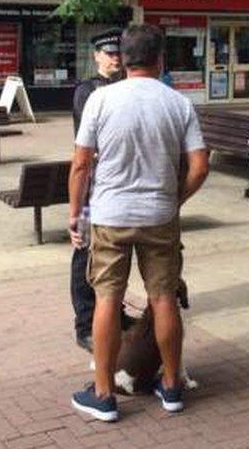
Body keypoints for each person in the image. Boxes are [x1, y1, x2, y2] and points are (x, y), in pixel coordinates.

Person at [69, 24, 209, 422]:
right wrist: (174, 198)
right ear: (161, 59)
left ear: (123, 59)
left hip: (110, 216)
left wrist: (75, 214)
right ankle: (170, 388)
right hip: (160, 216)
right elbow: (200, 166)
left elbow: (81, 164)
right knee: (163, 298)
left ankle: (103, 395)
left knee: (107, 299)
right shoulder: (178, 104)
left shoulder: (100, 99)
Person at [70, 28, 124, 352]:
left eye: (118, 53)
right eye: (109, 53)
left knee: (114, 256)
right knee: (84, 252)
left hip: (117, 184)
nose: (114, 57)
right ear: (97, 56)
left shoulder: (128, 86)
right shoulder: (87, 90)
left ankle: (113, 313)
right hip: (94, 183)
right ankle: (85, 323)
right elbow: (86, 147)